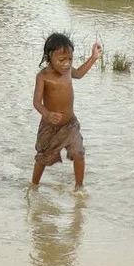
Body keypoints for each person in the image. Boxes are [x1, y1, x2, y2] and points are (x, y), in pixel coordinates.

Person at [31, 33, 102, 191]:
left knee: (78, 153)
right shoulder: (43, 76)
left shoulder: (69, 70)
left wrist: (93, 57)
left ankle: (79, 187)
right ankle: (33, 186)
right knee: (42, 158)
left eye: (70, 59)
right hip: (50, 127)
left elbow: (80, 74)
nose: (66, 64)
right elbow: (36, 102)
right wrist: (47, 114)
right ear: (49, 57)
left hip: (70, 124)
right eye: (61, 60)